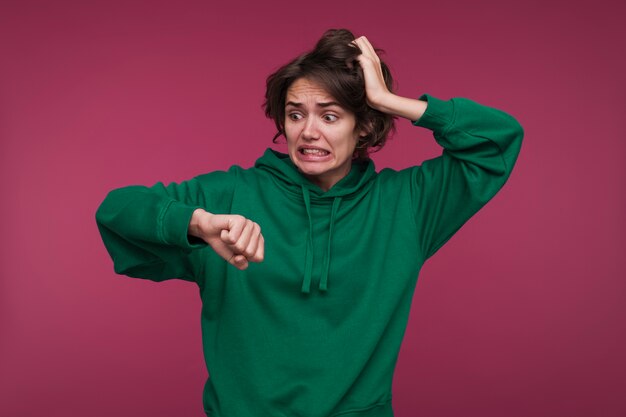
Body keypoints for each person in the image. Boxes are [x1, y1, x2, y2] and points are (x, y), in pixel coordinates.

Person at [96, 29, 523, 417]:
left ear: (365, 126)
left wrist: (392, 102)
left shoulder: (408, 205)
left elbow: (497, 141)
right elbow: (117, 210)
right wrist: (195, 223)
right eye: (296, 114)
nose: (309, 132)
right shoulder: (228, 198)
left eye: (330, 116)